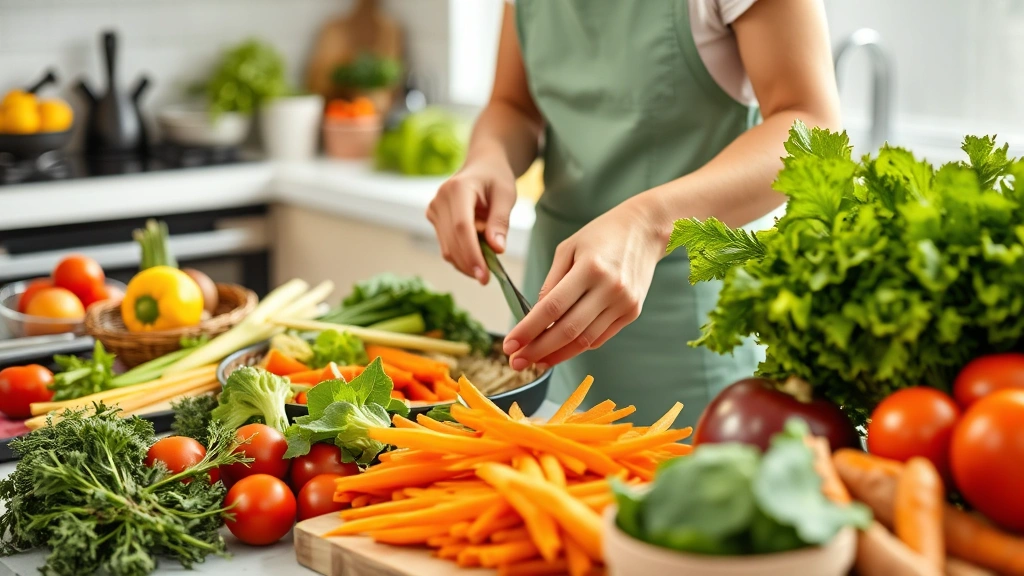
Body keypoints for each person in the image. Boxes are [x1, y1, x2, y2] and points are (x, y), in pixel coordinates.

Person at [427, 0, 841, 426]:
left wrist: (652, 222)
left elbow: (812, 125)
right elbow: (514, 105)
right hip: (552, 307)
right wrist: (487, 159)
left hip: (691, 326)